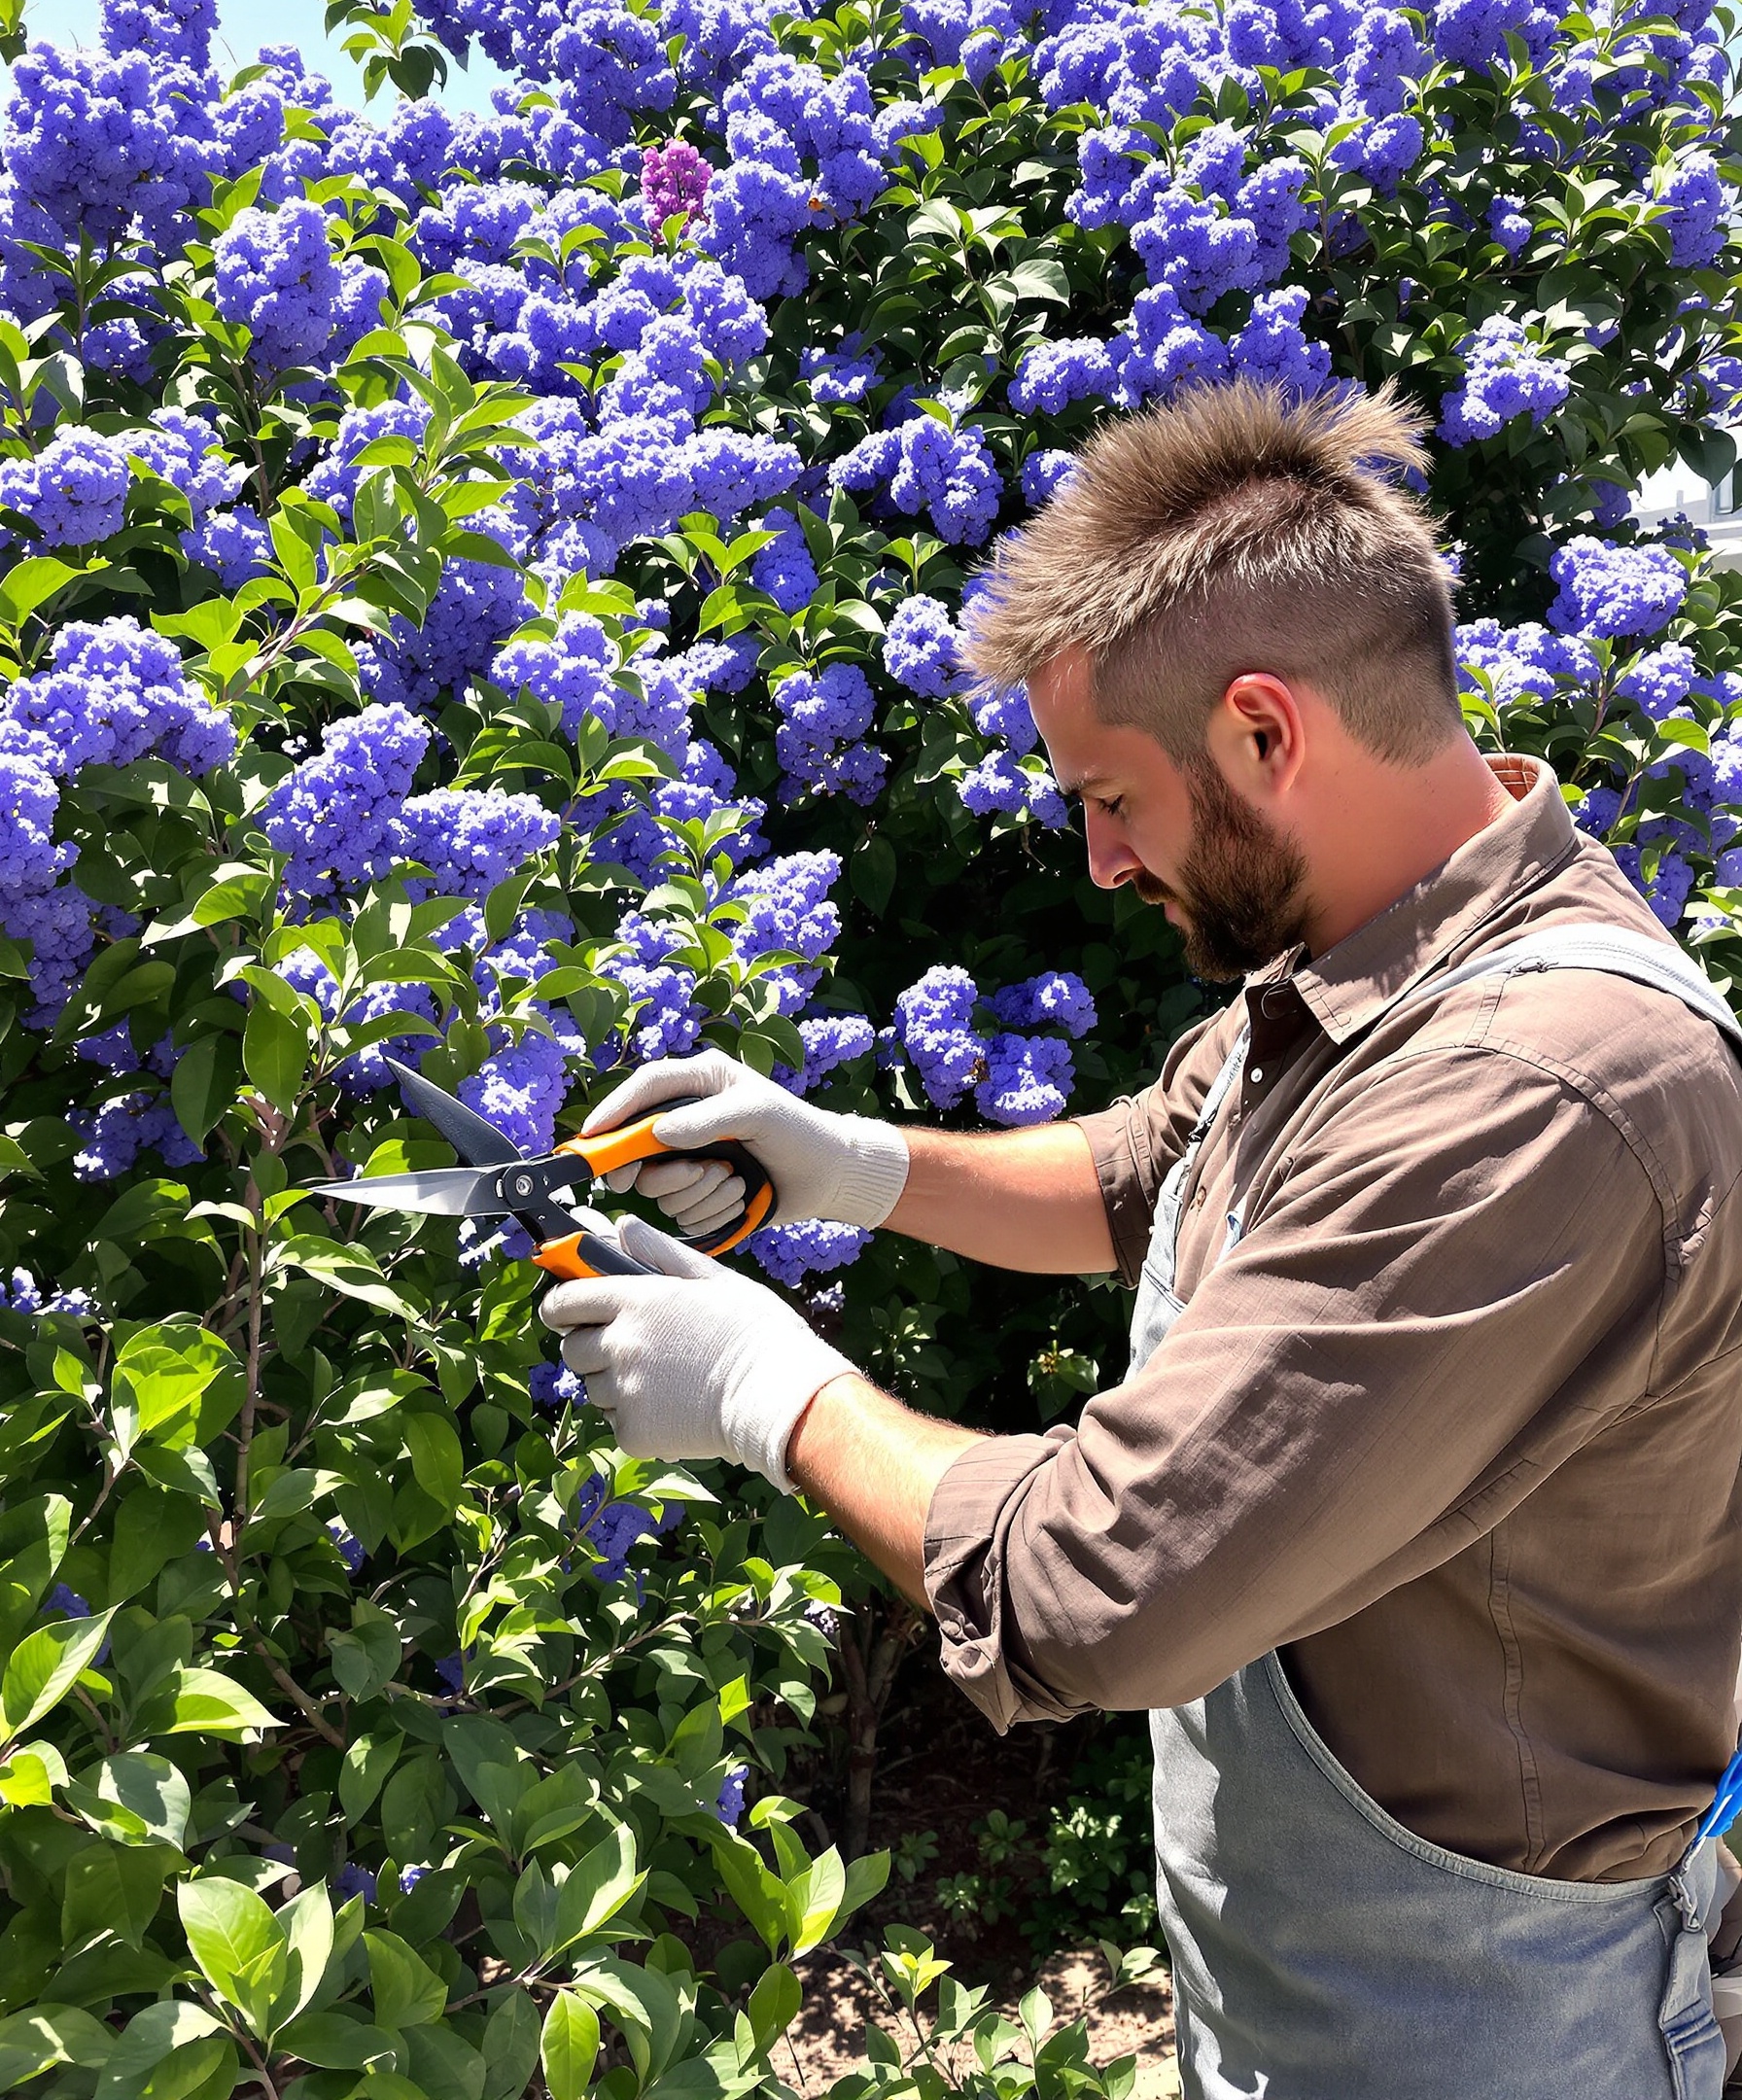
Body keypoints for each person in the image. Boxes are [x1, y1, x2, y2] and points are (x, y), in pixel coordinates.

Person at [543, 380, 1742, 2100]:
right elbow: (1149, 1171)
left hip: (1484, 2032)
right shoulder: (1379, 953)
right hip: (1323, 1991)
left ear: (1262, 732)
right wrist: (844, 1167)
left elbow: (1094, 1591)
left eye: (1112, 797)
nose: (1100, 861)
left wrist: (767, 1391)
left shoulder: (1530, 1094)